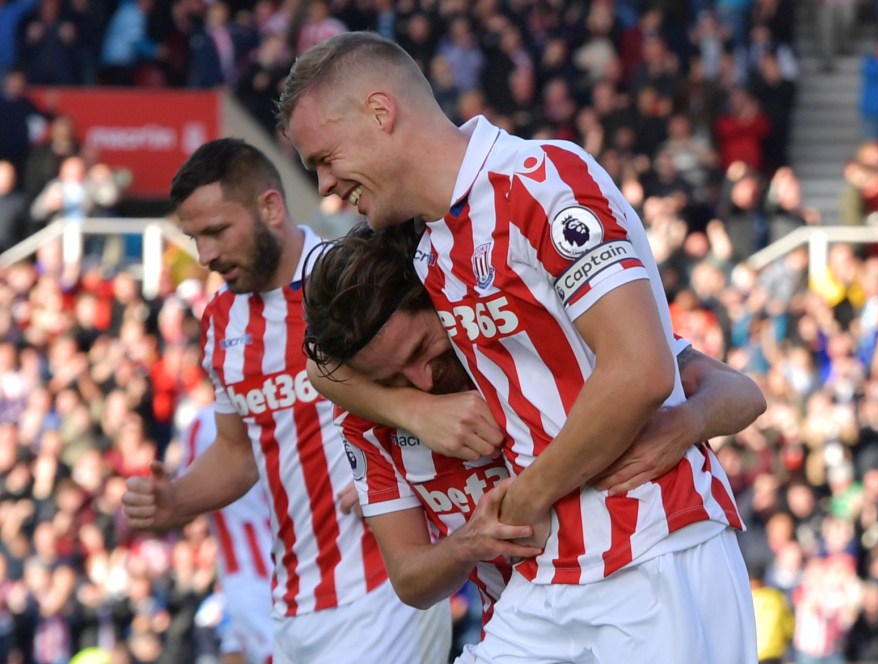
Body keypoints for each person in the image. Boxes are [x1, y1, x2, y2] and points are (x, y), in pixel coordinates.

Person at [278, 32, 758, 662]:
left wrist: (529, 495)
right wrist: (415, 413)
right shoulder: (427, 246)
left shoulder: (540, 179)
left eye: (325, 158)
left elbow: (641, 370)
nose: (325, 187)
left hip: (650, 550)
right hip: (547, 577)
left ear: (380, 111)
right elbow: (325, 362)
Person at [301, 221, 768, 649]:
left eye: (423, 348)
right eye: (394, 378)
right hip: (519, 625)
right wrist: (472, 539)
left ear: (437, 300)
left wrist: (686, 422)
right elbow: (410, 579)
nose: (423, 378)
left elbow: (741, 391)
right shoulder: (369, 422)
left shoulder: (522, 340)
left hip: (627, 581)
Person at [121, 138, 451, 664]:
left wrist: (404, 470)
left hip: (384, 588)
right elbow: (238, 453)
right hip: (293, 604)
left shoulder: (351, 284)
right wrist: (177, 501)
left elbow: (444, 385)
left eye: (216, 232)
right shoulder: (221, 323)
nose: (205, 255)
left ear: (271, 207)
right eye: (194, 237)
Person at [180, 401, 274, 664]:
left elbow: (183, 504)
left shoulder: (203, 422)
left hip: (252, 569)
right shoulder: (290, 396)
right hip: (256, 568)